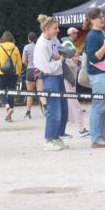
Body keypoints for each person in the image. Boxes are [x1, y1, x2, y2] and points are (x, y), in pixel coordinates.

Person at [34, 15, 69, 151]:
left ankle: (57, 136)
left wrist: (61, 55)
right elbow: (46, 68)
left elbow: (59, 50)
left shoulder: (53, 39)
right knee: (54, 110)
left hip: (59, 76)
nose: (58, 30)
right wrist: (60, 60)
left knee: (64, 109)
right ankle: (49, 139)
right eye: (55, 28)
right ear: (47, 29)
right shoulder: (41, 45)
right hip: (49, 78)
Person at [84, 8, 105, 147]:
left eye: (103, 17)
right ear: (92, 20)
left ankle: (101, 136)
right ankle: (96, 139)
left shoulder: (101, 33)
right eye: (99, 17)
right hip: (99, 75)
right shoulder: (92, 35)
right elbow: (93, 57)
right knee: (99, 106)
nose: (103, 19)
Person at [0, 31, 23, 123]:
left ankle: (7, 107)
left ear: (2, 39)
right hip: (14, 73)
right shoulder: (15, 48)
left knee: (0, 89)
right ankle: (10, 116)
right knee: (11, 91)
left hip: (1, 73)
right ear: (12, 39)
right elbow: (19, 63)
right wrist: (19, 73)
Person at [21, 32, 46, 119]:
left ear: (29, 39)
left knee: (30, 93)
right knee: (40, 92)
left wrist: (28, 65)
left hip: (30, 70)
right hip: (38, 70)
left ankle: (28, 113)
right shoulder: (40, 46)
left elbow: (23, 61)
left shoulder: (26, 47)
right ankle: (46, 109)